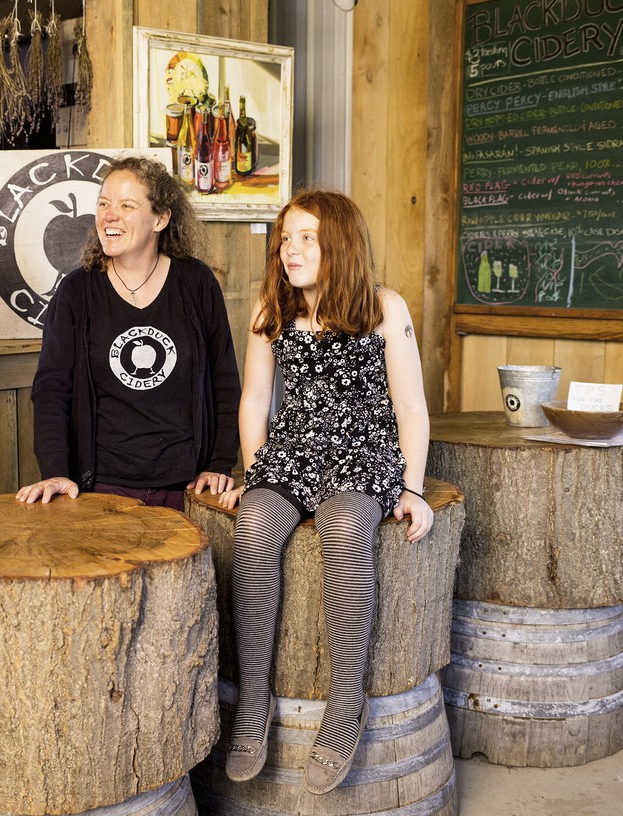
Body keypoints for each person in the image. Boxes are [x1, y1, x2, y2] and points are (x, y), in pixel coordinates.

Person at [217, 190, 433, 793]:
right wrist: (256, 468)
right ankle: (253, 698)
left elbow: (410, 406)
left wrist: (412, 488)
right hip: (295, 452)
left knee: (343, 524)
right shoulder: (274, 308)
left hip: (364, 454)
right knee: (256, 518)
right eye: (286, 237)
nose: (291, 249)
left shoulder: (383, 308)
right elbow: (256, 399)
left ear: (339, 243)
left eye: (307, 237)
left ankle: (345, 704)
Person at [16, 155, 240, 510]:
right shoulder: (77, 291)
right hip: (101, 486)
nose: (109, 215)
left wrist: (219, 462)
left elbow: (224, 378)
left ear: (161, 218)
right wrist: (56, 470)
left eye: (126, 205)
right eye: (103, 203)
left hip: (187, 486)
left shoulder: (195, 283)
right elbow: (51, 390)